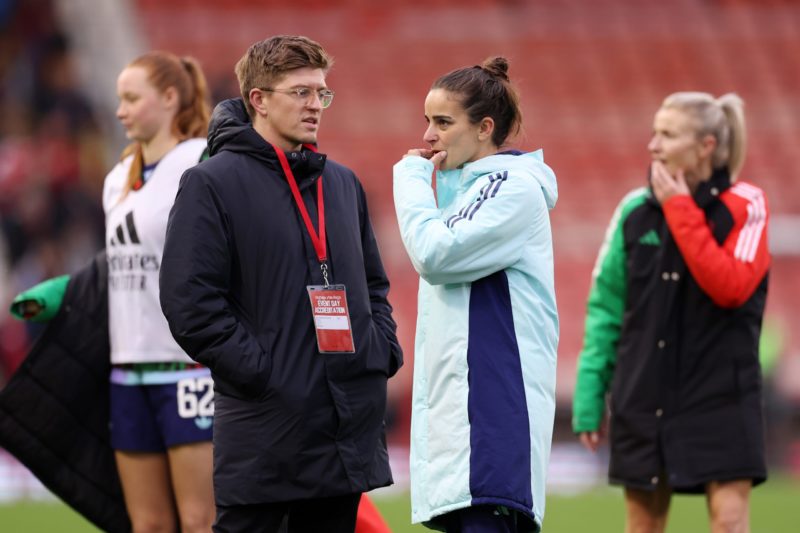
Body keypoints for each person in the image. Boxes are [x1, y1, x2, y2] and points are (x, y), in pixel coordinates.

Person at [158, 35, 402, 533]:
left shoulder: (342, 184)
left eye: (322, 93)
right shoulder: (210, 182)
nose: (316, 105)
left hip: (343, 432)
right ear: (259, 100)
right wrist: (262, 372)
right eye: (301, 92)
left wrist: (379, 350)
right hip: (266, 432)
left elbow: (374, 287)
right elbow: (190, 303)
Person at [4, 51, 214, 532]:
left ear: (169, 98)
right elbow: (113, 264)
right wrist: (62, 291)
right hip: (125, 374)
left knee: (201, 522)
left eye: (131, 99)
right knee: (146, 525)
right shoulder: (116, 179)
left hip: (188, 371)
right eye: (119, 99)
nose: (120, 111)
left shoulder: (200, 163)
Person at [572, 92, 769, 533]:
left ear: (706, 146)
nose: (653, 146)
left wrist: (681, 209)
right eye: (654, 132)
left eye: (668, 134)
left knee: (730, 523)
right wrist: (589, 396)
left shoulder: (746, 205)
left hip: (721, 395)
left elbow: (731, 287)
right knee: (643, 527)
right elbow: (605, 309)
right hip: (643, 394)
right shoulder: (633, 212)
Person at [393, 57, 559, 533]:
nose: (427, 136)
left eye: (443, 122)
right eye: (427, 121)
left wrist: (410, 182)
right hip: (464, 423)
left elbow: (434, 253)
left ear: (485, 128)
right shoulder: (465, 192)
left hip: (492, 417)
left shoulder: (512, 186)